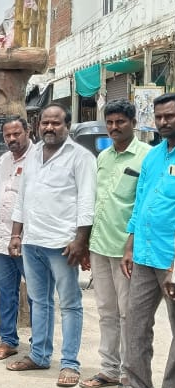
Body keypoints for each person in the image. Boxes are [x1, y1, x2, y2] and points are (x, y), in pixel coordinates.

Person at [6, 103, 96, 388]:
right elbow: (23, 197)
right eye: (45, 122)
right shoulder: (32, 157)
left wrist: (81, 240)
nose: (49, 128)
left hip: (63, 244)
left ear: (66, 125)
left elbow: (86, 200)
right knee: (39, 302)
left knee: (70, 304)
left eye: (55, 123)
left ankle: (70, 363)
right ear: (37, 125)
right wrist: (16, 234)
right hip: (32, 242)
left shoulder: (80, 157)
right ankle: (39, 355)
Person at [80, 99, 150, 388]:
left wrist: (132, 247)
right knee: (106, 312)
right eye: (109, 122)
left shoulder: (148, 156)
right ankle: (108, 369)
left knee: (127, 315)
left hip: (126, 251)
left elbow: (144, 205)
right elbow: (96, 202)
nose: (114, 127)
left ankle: (128, 372)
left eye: (120, 121)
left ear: (133, 123)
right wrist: (85, 244)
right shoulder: (103, 157)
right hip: (99, 246)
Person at [120, 93, 175, 388]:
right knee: (136, 327)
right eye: (159, 117)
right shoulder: (153, 156)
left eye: (170, 116)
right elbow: (140, 201)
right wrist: (130, 243)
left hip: (171, 259)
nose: (163, 122)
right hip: (144, 255)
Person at [0, 116, 33, 361]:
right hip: (1, 238)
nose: (12, 139)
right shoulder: (2, 160)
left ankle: (39, 343)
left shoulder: (38, 158)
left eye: (17, 134)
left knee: (37, 294)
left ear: (28, 131)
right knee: (6, 293)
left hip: (30, 240)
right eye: (8, 135)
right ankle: (8, 341)